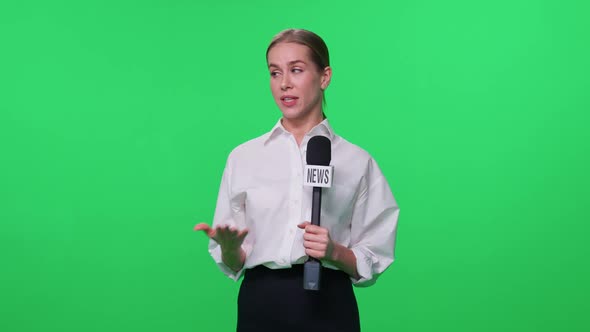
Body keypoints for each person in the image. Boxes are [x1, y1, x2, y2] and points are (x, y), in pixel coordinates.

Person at [194, 28, 399, 332]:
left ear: (324, 76)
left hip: (330, 304)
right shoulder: (244, 157)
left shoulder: (357, 161)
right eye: (275, 73)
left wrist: (335, 252)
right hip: (261, 303)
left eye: (296, 70)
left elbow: (376, 252)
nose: (284, 84)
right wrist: (228, 248)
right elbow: (235, 262)